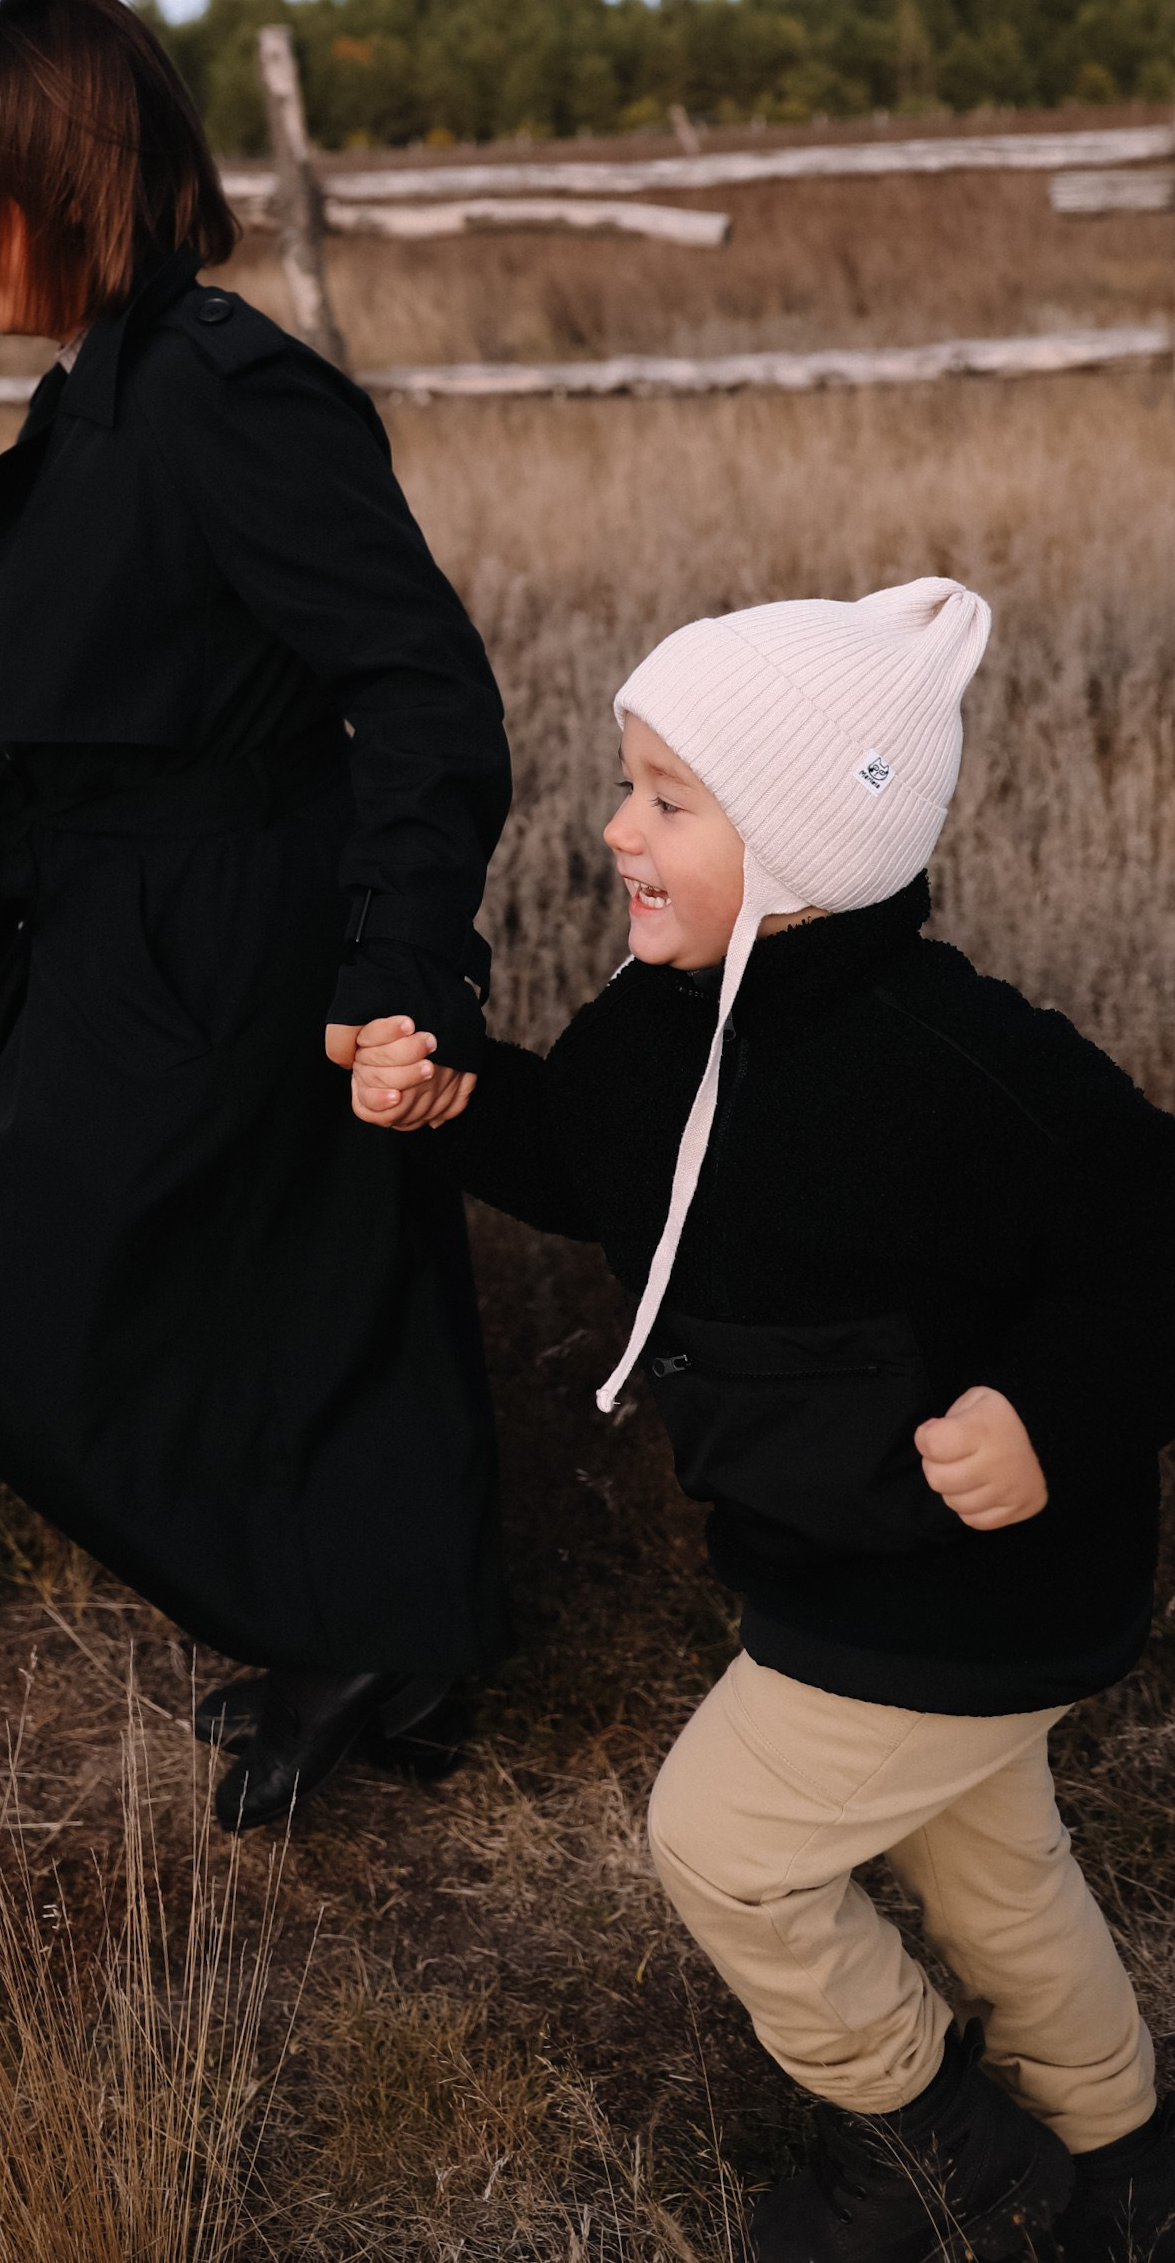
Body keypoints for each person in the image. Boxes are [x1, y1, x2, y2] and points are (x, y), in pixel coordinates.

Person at [0, 0, 512, 1830]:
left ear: (68, 171)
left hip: (236, 928)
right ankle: (387, 1636)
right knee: (253, 1295)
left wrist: (399, 959)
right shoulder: (96, 388)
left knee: (27, 1315)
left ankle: (355, 1632)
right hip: (117, 917)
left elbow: (423, 689)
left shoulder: (228, 394)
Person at [351, 578, 1175, 2263]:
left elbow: (1156, 1236)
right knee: (992, 1872)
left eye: (664, 798)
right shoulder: (652, 1031)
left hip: (967, 1579)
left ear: (802, 837)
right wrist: (448, 1102)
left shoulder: (958, 1065)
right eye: (624, 784)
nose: (609, 828)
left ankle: (928, 2141)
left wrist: (1052, 1410)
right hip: (829, 1544)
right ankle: (1122, 2163)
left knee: (718, 1843)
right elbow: (584, 1161)